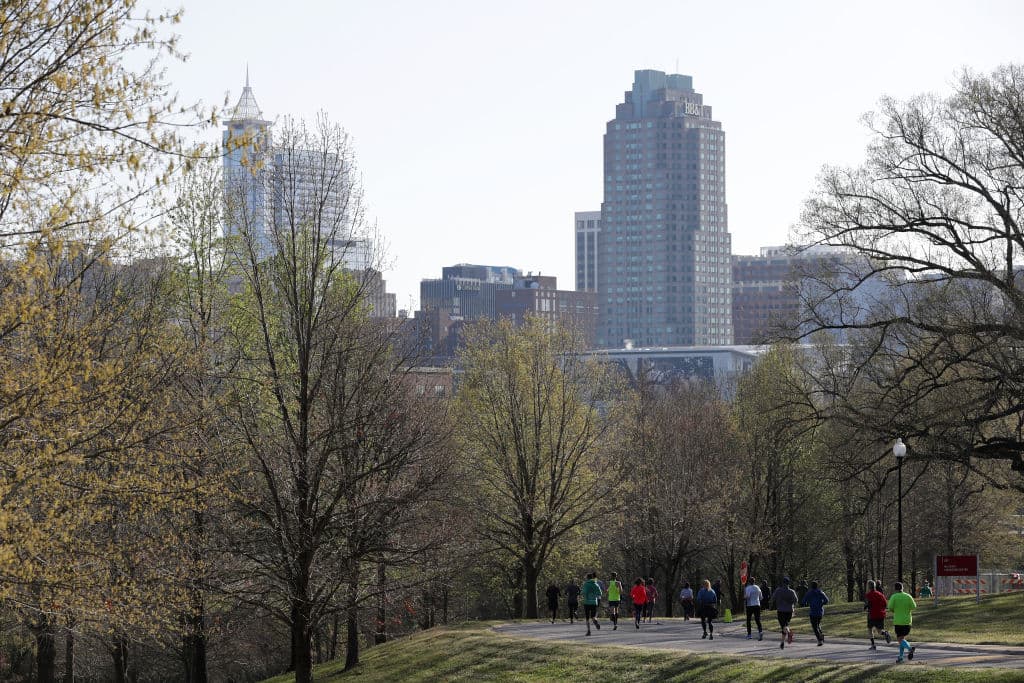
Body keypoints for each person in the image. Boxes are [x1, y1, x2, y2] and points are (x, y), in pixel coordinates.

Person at [888, 582, 918, 663]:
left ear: (895, 589)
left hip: (898, 621)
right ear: (902, 588)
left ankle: (910, 648)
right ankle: (900, 657)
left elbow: (890, 607)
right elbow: (914, 606)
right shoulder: (908, 596)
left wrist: (895, 610)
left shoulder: (894, 596)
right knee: (902, 639)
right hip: (907, 621)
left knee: (900, 639)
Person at [770, 577, 799, 649]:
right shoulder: (792, 591)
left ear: (782, 583)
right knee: (785, 625)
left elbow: (773, 598)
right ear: (788, 583)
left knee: (783, 626)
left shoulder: (778, 590)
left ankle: (788, 634)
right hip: (789, 611)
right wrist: (791, 604)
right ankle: (782, 642)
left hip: (781, 610)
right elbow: (796, 600)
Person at [863, 579, 891, 650]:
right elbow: (885, 604)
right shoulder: (880, 594)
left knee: (870, 629)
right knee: (879, 631)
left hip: (872, 615)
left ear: (869, 587)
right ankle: (885, 633)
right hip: (880, 614)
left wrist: (865, 607)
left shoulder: (868, 595)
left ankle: (873, 645)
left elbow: (867, 605)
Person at [801, 580, 830, 646]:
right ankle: (821, 634)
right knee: (818, 624)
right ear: (817, 586)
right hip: (820, 611)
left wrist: (806, 603)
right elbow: (827, 600)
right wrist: (821, 604)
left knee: (814, 627)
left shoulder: (809, 593)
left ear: (811, 586)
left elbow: (803, 601)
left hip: (813, 612)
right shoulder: (820, 592)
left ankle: (820, 640)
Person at [743, 576, 764, 640]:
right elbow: (761, 597)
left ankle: (749, 634)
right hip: (757, 604)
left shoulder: (748, 588)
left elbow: (747, 596)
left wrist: (744, 597)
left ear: (749, 582)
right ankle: (760, 632)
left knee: (748, 620)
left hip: (750, 605)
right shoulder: (758, 587)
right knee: (757, 619)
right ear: (754, 582)